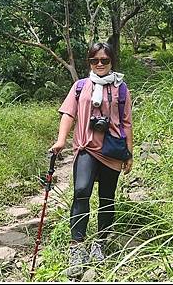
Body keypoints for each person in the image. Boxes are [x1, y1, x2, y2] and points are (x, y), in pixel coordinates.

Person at [50, 42, 134, 277]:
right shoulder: (80, 87)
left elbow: (127, 122)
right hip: (86, 148)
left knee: (107, 197)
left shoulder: (121, 88)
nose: (99, 64)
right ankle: (77, 245)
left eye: (104, 61)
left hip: (112, 150)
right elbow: (69, 113)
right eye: (95, 60)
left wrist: (129, 153)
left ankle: (101, 243)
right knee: (81, 191)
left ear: (111, 62)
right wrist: (61, 140)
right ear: (89, 62)